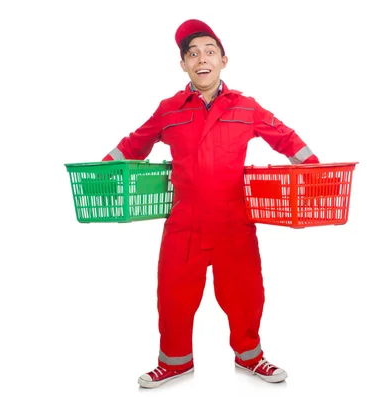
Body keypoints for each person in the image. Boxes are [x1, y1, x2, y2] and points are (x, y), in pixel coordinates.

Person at [101, 19, 319, 388]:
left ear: (223, 60)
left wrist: (314, 170)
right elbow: (135, 142)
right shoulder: (169, 109)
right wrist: (102, 171)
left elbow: (284, 136)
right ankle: (174, 362)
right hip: (184, 221)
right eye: (192, 53)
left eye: (209, 52)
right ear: (183, 64)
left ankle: (250, 355)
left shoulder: (245, 106)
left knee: (246, 293)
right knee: (173, 295)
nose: (202, 58)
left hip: (234, 220)